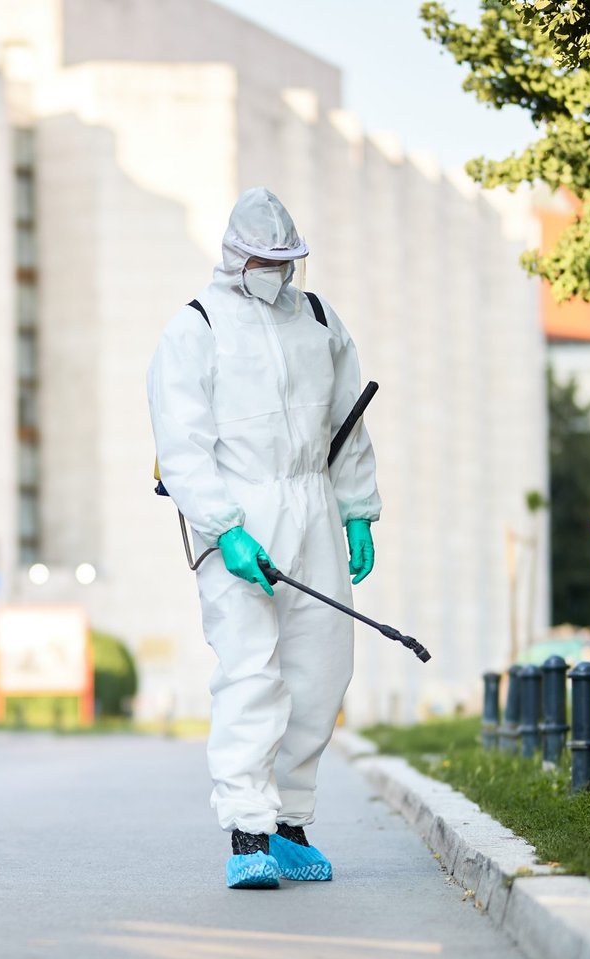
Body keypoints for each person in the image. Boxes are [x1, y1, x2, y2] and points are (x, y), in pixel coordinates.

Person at [146, 187, 381, 890]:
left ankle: (289, 822)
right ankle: (247, 828)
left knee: (320, 668)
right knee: (252, 669)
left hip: (311, 503)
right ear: (234, 256)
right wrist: (224, 530)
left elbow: (347, 424)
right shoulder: (196, 329)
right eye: (263, 258)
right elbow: (182, 445)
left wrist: (358, 508)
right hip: (238, 512)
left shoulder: (317, 319)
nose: (276, 271)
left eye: (286, 259)